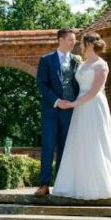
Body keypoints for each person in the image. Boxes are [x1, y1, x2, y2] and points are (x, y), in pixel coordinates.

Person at [50, 32, 111, 199]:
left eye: (82, 43)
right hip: (80, 106)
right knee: (79, 141)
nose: (80, 46)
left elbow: (95, 90)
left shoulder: (101, 65)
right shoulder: (82, 63)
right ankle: (76, 184)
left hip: (94, 104)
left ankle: (99, 185)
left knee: (95, 140)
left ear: (89, 44)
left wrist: (76, 103)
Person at [34, 28, 79, 197]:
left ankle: (61, 185)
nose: (73, 43)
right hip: (51, 111)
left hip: (70, 112)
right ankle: (44, 184)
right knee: (48, 146)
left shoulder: (76, 61)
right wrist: (57, 101)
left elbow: (78, 85)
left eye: (74, 40)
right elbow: (42, 84)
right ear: (60, 39)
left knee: (65, 149)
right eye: (71, 40)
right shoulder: (46, 60)